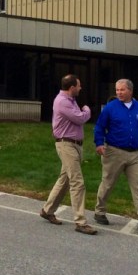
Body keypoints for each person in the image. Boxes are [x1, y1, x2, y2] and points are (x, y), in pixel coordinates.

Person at [93, 79, 138, 232]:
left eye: (122, 90)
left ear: (130, 91)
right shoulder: (110, 108)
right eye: (117, 90)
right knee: (108, 183)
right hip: (114, 151)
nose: (119, 93)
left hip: (135, 154)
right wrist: (98, 143)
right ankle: (99, 211)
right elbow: (99, 126)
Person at [40, 74, 96, 235]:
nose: (80, 88)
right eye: (79, 85)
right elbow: (80, 118)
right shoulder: (63, 101)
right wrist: (86, 109)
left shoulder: (71, 100)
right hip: (66, 145)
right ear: (72, 88)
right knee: (77, 182)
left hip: (74, 145)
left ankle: (47, 210)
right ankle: (80, 221)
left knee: (65, 179)